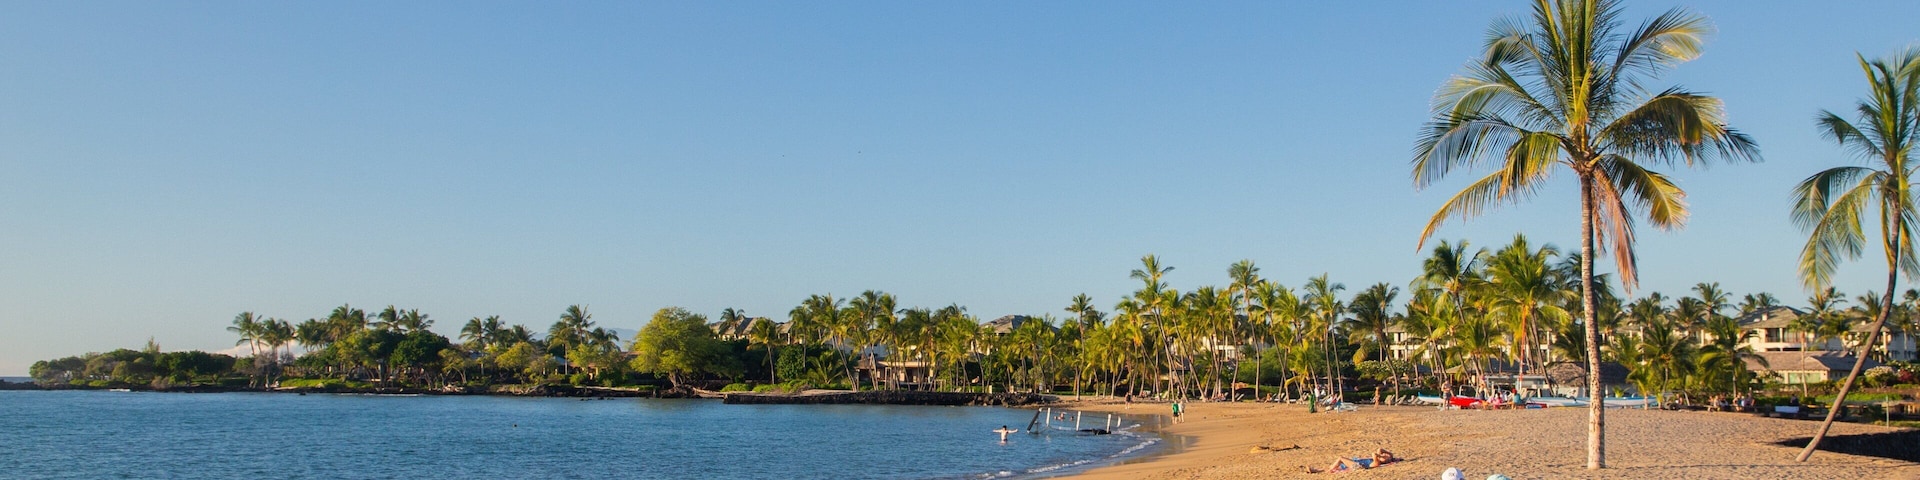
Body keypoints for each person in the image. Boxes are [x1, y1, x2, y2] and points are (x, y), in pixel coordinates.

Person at [1305, 449, 1397, 473]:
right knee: (1337, 465)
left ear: (1385, 461)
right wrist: (1389, 455)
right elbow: (1380, 449)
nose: (1384, 455)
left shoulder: (1377, 462)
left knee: (1341, 458)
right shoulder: (1379, 459)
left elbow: (1374, 453)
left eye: (1386, 457)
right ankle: (1316, 470)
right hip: (1357, 464)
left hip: (1359, 466)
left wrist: (1381, 456)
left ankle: (1325, 471)